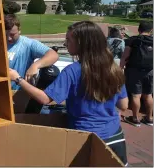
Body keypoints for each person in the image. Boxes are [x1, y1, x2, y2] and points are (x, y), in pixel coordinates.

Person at [8, 21, 129, 165]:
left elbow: (45, 99)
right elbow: (123, 104)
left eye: (69, 40)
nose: (66, 44)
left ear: (81, 43)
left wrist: (18, 78)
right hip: (115, 136)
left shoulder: (73, 70)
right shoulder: (112, 67)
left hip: (85, 138)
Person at [4, 14, 59, 90]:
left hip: (19, 92)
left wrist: (35, 65)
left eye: (12, 35)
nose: (8, 38)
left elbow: (53, 55)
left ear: (19, 30)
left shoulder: (29, 44)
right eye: (5, 34)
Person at [120, 21, 153, 127]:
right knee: (148, 95)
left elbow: (125, 56)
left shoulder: (132, 40)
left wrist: (120, 68)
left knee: (136, 95)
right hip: (150, 71)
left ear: (139, 29)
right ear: (151, 30)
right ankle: (149, 118)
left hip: (134, 70)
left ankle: (135, 119)